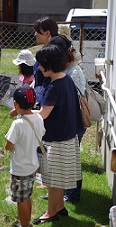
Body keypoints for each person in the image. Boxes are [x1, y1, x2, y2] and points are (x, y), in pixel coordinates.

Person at [32, 44, 84, 224]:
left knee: (53, 181)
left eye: (40, 64)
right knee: (60, 178)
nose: (39, 68)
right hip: (69, 137)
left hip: (56, 140)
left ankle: (50, 213)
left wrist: (23, 112)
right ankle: (60, 207)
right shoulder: (67, 80)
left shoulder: (53, 87)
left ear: (49, 64)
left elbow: (43, 114)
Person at [48, 35, 87, 203]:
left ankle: (72, 195)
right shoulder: (66, 70)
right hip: (69, 121)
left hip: (74, 122)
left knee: (71, 161)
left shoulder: (74, 72)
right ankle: (60, 193)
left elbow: (74, 99)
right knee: (63, 161)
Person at [5, 86, 45, 227]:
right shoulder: (39, 118)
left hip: (20, 168)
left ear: (15, 104)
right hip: (33, 165)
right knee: (27, 196)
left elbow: (8, 146)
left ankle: (24, 225)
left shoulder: (17, 124)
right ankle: (26, 223)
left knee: (21, 200)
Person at [33, 17, 58, 104]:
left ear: (47, 33)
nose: (35, 34)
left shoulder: (53, 54)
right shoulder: (45, 50)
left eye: (37, 31)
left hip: (47, 100)